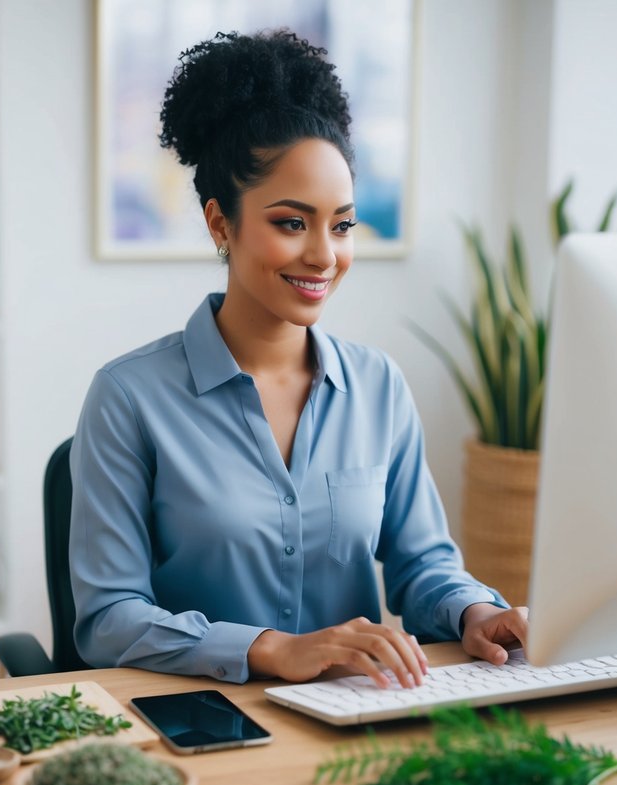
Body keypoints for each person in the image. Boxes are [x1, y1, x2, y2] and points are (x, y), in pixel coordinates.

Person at [70, 30, 529, 689]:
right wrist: (269, 649)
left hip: (358, 719)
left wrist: (473, 611)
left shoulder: (377, 385)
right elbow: (108, 619)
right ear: (219, 224)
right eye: (291, 222)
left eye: (340, 225)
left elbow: (421, 562)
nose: (323, 255)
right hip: (204, 721)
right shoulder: (128, 397)